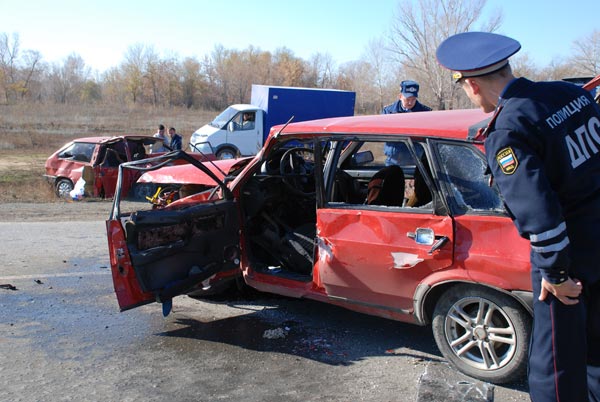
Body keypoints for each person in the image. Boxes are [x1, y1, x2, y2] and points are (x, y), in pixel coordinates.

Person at [436, 31, 600, 402]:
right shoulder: (571, 94)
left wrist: (556, 274)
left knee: (553, 365)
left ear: (472, 85)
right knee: (595, 353)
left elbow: (540, 214)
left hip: (568, 259)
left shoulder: (508, 130)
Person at [382, 80, 431, 165]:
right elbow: (383, 134)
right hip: (393, 159)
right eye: (407, 99)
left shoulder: (425, 113)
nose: (410, 102)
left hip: (416, 160)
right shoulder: (388, 112)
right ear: (400, 96)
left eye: (413, 99)